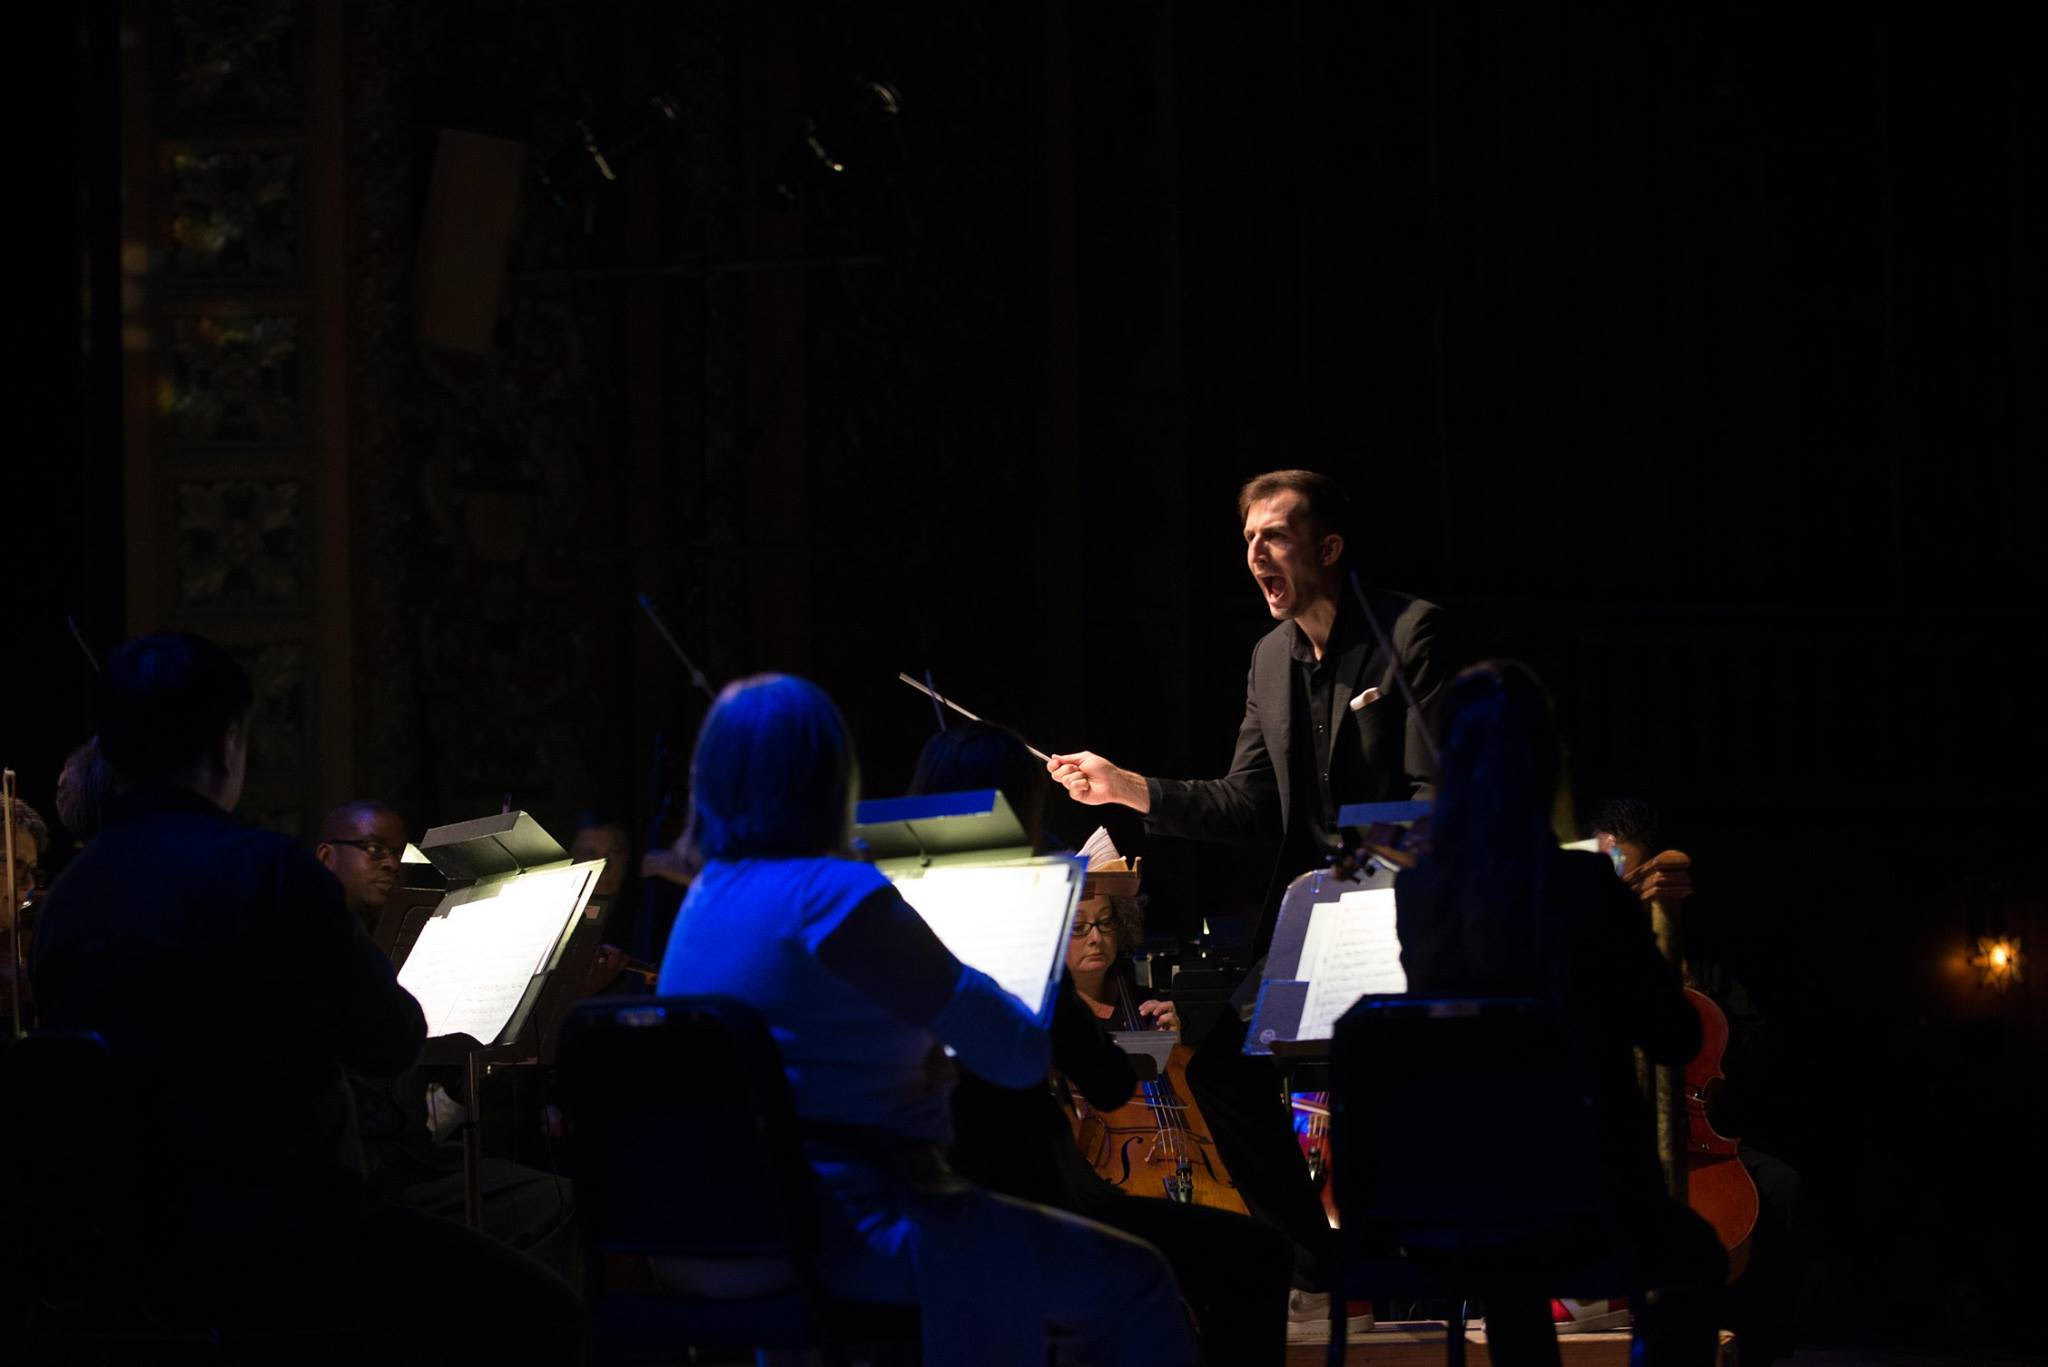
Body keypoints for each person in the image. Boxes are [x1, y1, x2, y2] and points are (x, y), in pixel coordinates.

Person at [31, 632, 581, 1361]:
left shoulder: (66, 903)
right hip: (293, 1241)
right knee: (550, 1317)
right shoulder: (267, 874)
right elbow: (389, 1040)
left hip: (134, 1254)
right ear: (229, 746)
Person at [657, 675, 1195, 1366]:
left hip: (709, 1236)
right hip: (844, 1229)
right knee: (1138, 1280)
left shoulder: (703, 901)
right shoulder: (834, 893)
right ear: (833, 777)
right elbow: (1018, 1055)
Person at [1047, 468, 1446, 1324]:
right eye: (1247, 540)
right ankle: (1319, 1255)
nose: (1255, 554)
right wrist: (1129, 787)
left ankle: (1391, 1262)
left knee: (1370, 1067)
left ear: (1328, 548)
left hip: (1395, 907)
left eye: (1274, 536)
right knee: (1222, 1066)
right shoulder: (1268, 658)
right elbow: (1250, 802)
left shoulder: (1407, 630)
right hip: (1308, 916)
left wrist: (1370, 870)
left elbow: (1431, 794)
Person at [910, 722, 1292, 1363]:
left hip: (920, 1198)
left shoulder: (894, 914)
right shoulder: (1014, 924)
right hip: (1028, 1200)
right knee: (1258, 1254)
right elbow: (1111, 1084)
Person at [1395, 662, 1726, 1367]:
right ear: (1546, 765)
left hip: (1455, 1197)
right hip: (1583, 1196)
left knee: (1509, 1269)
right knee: (1695, 1254)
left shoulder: (1419, 896)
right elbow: (1674, 1032)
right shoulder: (1585, 885)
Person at [313, 798, 579, 1276]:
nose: (391, 863)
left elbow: (457, 1081)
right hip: (360, 1174)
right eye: (374, 849)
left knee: (553, 1194)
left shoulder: (410, 936)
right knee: (545, 1207)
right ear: (327, 856)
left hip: (415, 1162)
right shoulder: (316, 946)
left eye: (398, 851)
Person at [1590, 797, 1810, 1364]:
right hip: (1605, 1136)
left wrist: (1691, 991)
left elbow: (1757, 1053)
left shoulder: (1698, 955)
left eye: (1631, 876)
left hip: (1694, 1137)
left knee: (1780, 1187)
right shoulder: (1583, 949)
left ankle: (1761, 1352)